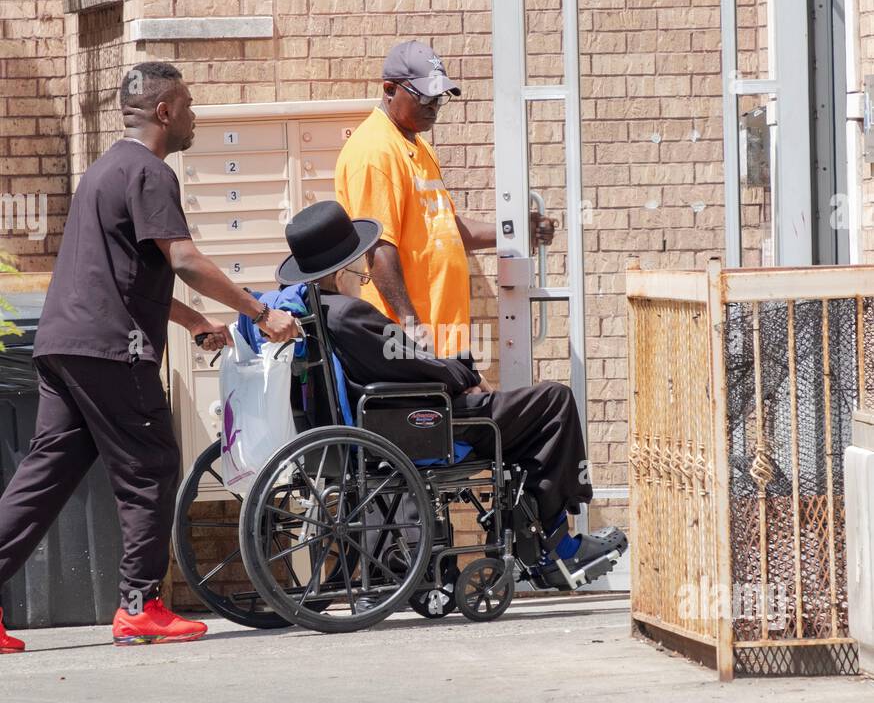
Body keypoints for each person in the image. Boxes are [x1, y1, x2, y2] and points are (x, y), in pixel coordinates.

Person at [0, 62, 301, 655]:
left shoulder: (103, 172)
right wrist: (261, 312)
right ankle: (141, 606)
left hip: (63, 346)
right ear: (164, 112)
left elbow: (121, 273)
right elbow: (183, 259)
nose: (194, 116)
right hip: (114, 351)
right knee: (152, 467)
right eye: (188, 105)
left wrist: (193, 322)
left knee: (45, 476)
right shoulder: (149, 173)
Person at [271, 202, 626, 589]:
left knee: (523, 419)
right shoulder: (350, 314)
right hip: (421, 423)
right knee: (554, 401)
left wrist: (454, 370)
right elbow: (412, 363)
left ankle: (543, 537)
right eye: (361, 268)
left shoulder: (313, 311)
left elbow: (404, 361)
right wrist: (465, 373)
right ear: (344, 272)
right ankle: (558, 545)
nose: (364, 276)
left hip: (391, 417)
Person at [334, 40, 555, 369]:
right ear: (389, 89)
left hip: (443, 335)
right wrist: (412, 328)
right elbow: (378, 247)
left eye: (440, 98)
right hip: (411, 341)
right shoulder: (375, 152)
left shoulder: (418, 146)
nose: (434, 106)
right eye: (424, 96)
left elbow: (448, 229)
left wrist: (518, 230)